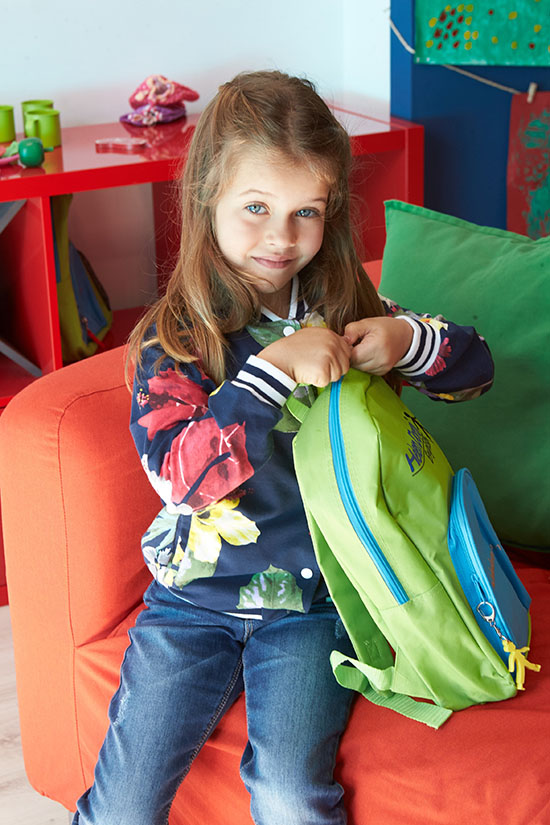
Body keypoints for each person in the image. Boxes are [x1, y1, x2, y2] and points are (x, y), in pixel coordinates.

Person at [72, 70, 494, 825]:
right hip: (190, 602)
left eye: (307, 212)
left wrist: (406, 340)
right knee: (124, 805)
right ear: (208, 197)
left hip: (312, 605)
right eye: (256, 207)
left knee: (290, 793)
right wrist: (271, 371)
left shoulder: (344, 312)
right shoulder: (175, 340)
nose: (281, 237)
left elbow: (477, 371)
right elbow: (182, 480)